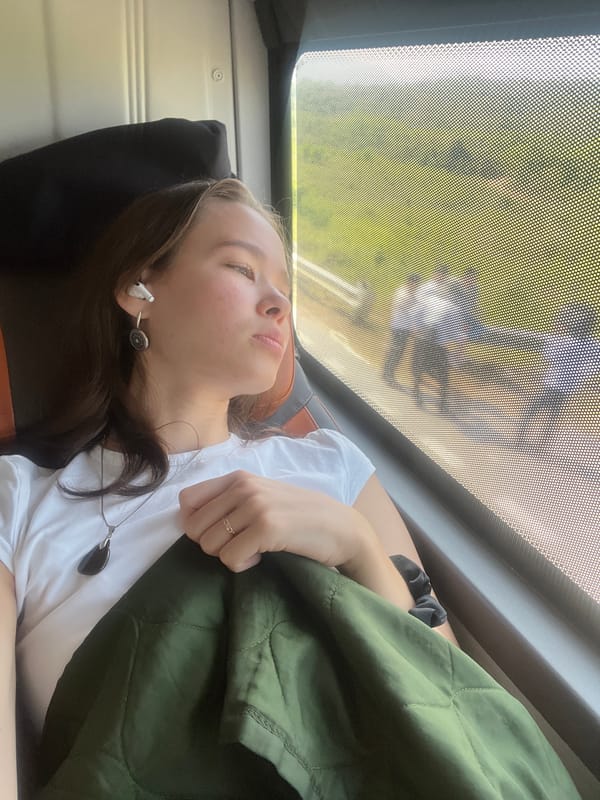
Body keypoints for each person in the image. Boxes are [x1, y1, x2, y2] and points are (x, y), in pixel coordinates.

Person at [0, 178, 455, 797]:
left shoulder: (334, 465)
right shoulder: (19, 499)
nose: (278, 304)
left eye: (285, 291)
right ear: (139, 291)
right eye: (243, 268)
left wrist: (356, 546)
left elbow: (449, 694)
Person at [515, 303, 599, 450]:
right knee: (553, 414)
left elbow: (548, 355)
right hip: (568, 388)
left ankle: (519, 440)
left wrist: (556, 334)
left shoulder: (565, 343)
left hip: (553, 385)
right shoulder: (593, 345)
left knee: (531, 410)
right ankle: (541, 444)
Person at [411, 278, 468, 413]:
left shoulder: (430, 300)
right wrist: (460, 353)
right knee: (443, 375)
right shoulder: (455, 309)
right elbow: (458, 335)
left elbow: (413, 314)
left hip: (420, 340)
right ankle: (442, 404)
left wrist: (417, 331)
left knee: (419, 367)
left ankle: (416, 393)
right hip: (436, 346)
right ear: (457, 295)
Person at [382, 272, 421, 387]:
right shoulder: (403, 293)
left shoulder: (409, 293)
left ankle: (387, 373)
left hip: (404, 327)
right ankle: (388, 375)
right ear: (410, 282)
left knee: (397, 351)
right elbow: (409, 310)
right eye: (415, 284)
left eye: (417, 284)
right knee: (396, 351)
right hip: (399, 327)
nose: (416, 286)